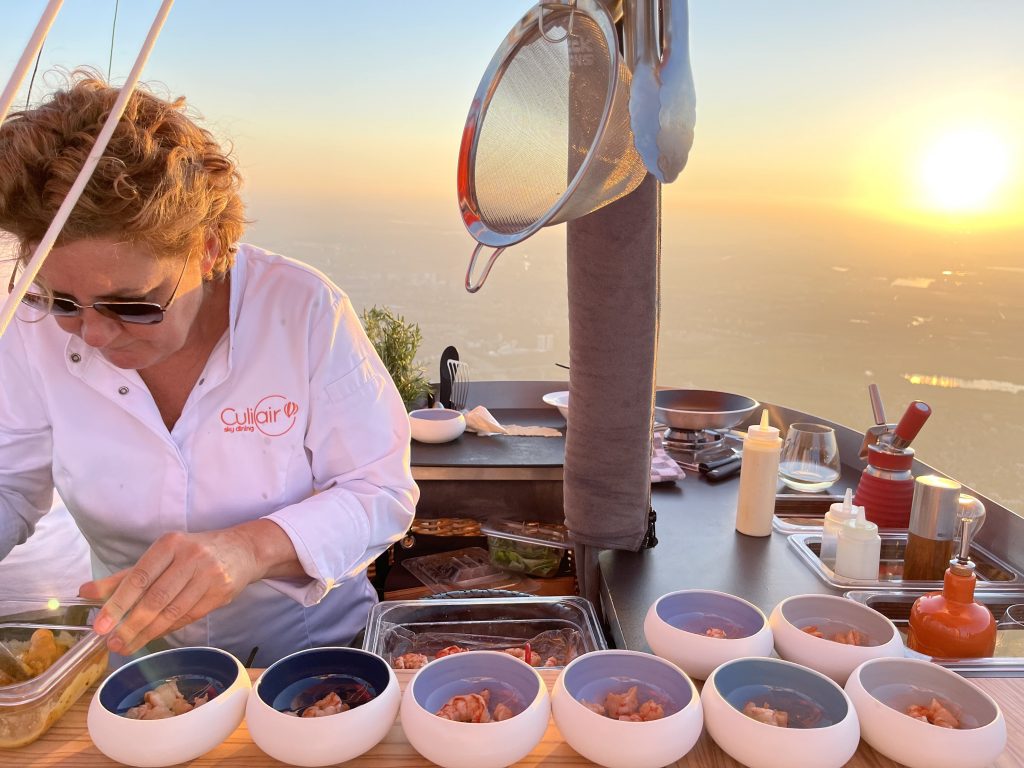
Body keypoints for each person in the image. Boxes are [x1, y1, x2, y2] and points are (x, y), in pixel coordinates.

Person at [0, 71, 418, 667]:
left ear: (209, 248)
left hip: (318, 655)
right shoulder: (26, 322)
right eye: (60, 300)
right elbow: (9, 482)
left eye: (131, 305)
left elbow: (381, 491)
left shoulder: (301, 310)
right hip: (141, 666)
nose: (92, 334)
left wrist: (252, 548)